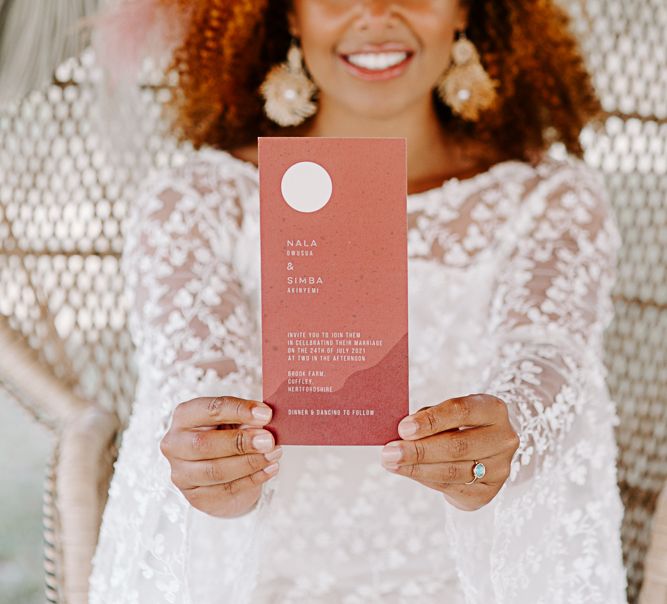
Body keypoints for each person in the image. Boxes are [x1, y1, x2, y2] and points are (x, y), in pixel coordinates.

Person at [88, 0, 629, 602]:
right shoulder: (197, 200)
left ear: (465, 11)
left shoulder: (549, 199)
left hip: (471, 581)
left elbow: (548, 348)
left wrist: (516, 430)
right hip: (257, 579)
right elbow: (193, 361)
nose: (375, 12)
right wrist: (217, 456)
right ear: (289, 16)